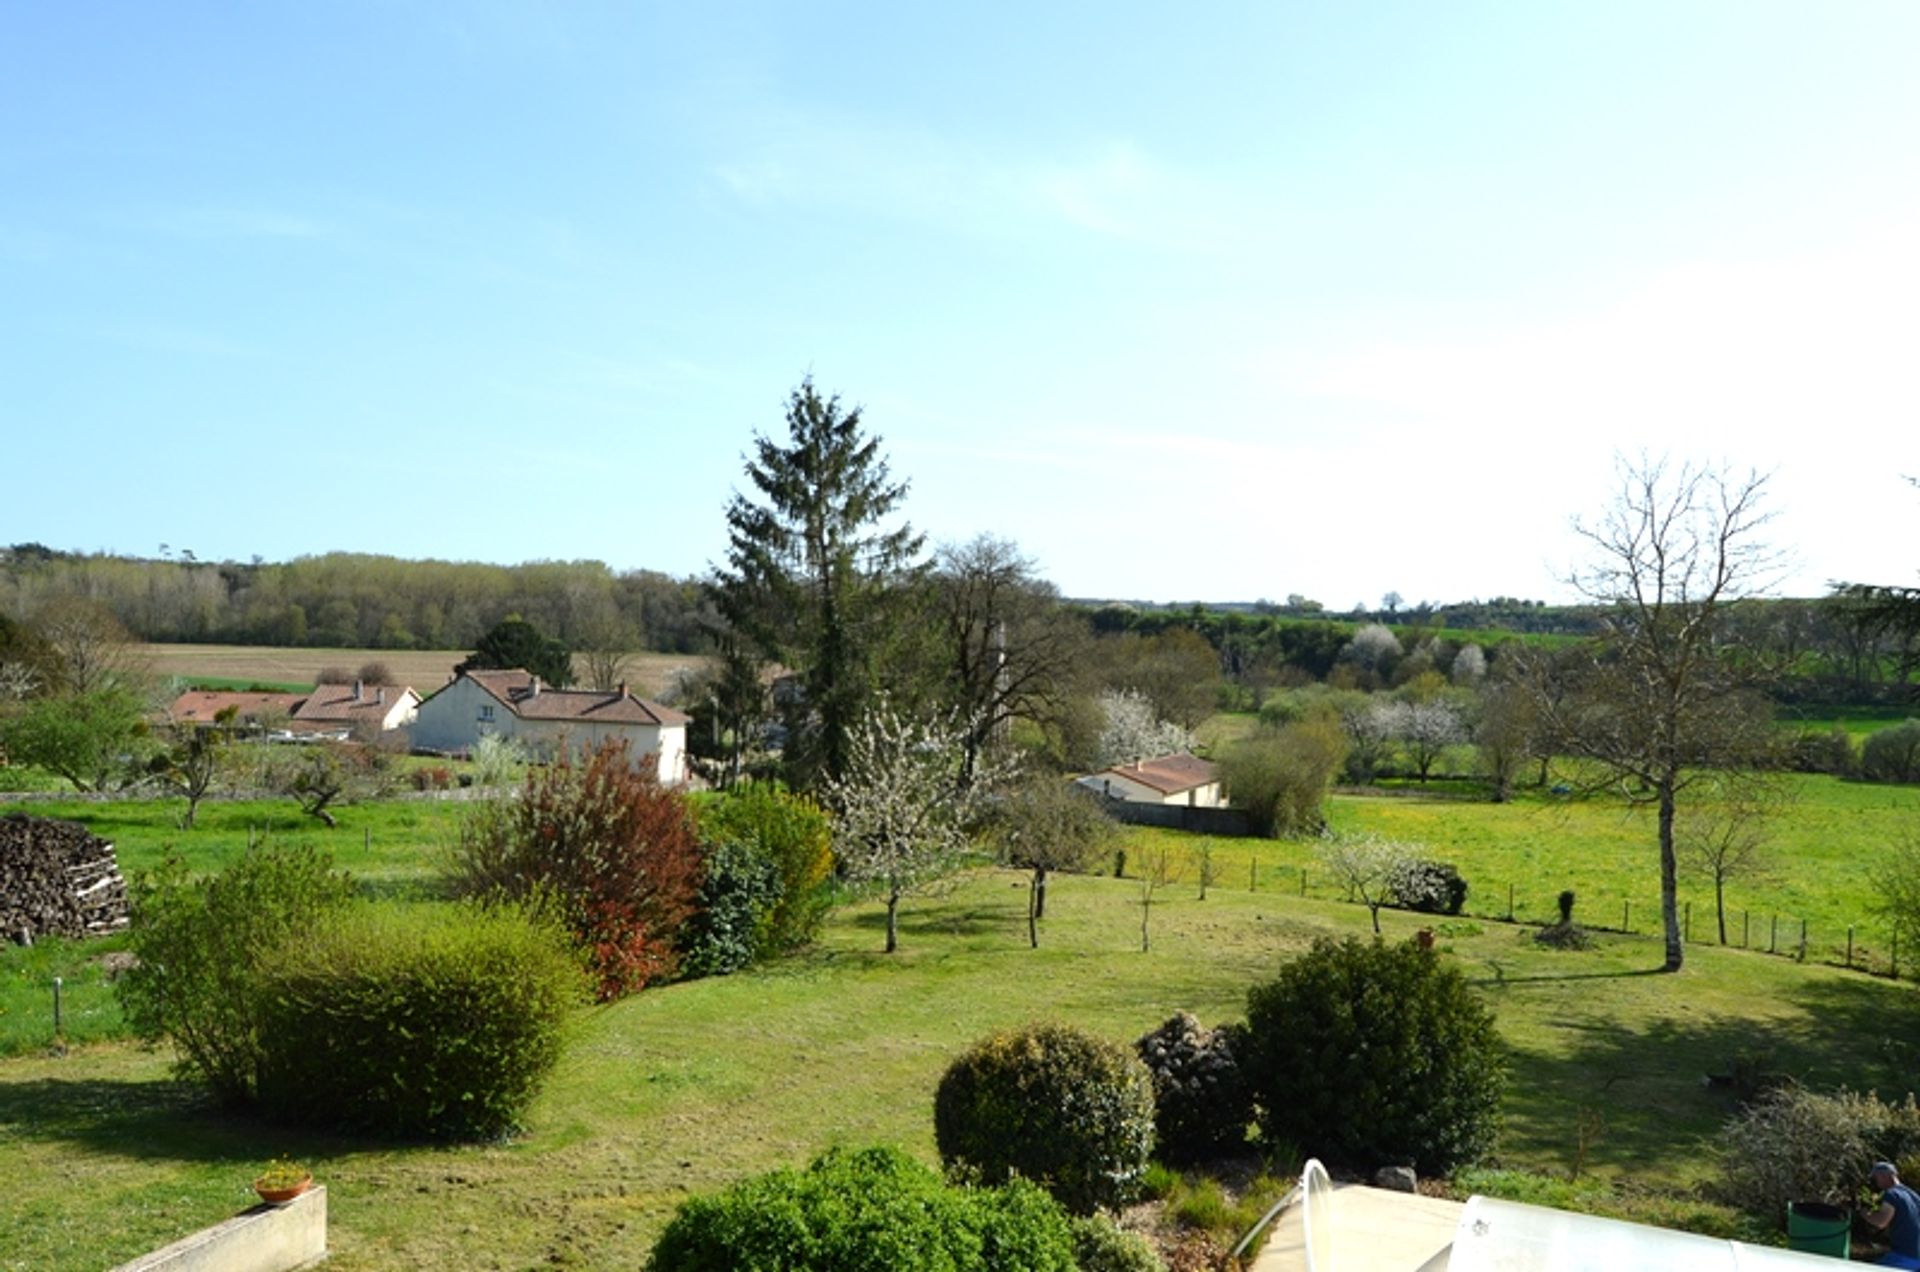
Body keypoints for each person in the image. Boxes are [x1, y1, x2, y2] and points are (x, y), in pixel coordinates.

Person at [1864, 1161, 1920, 1269]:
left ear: (1884, 1176)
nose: (1876, 1182)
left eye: (1876, 1178)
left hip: (1903, 1256)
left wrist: (1865, 1214)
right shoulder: (1915, 1196)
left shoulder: (1892, 1194)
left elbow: (1881, 1222)